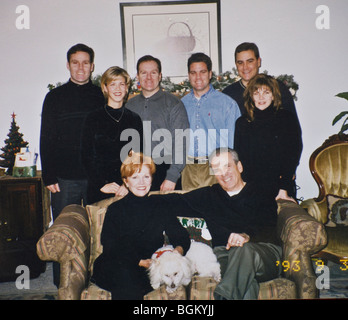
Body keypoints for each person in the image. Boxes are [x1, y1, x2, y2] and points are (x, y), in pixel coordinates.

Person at [164, 148, 282, 300]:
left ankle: (223, 297)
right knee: (246, 284)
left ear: (239, 167)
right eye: (217, 169)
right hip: (225, 255)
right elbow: (173, 201)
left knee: (243, 250)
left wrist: (247, 236)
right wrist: (137, 199)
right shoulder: (209, 195)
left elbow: (268, 226)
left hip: (265, 253)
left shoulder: (261, 192)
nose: (224, 173)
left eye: (227, 166)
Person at [40, 43, 105, 286]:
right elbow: (46, 137)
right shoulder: (54, 97)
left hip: (95, 178)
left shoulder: (101, 95)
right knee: (64, 231)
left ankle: (96, 278)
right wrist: (49, 176)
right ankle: (63, 283)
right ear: (68, 65)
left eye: (85, 62)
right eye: (75, 62)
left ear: (92, 66)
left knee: (97, 230)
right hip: (64, 178)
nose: (80, 67)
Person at [91, 152, 191, 300]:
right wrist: (139, 262)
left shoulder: (160, 205)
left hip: (146, 268)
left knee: (133, 279)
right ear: (126, 181)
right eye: (135, 177)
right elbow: (111, 247)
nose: (141, 182)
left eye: (146, 176)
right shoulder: (115, 209)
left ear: (151, 179)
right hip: (116, 263)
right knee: (125, 275)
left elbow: (181, 235)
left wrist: (177, 252)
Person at [126, 55, 190, 191]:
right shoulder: (129, 105)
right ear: (137, 76)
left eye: (153, 72)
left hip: (165, 171)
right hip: (137, 172)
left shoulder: (174, 104)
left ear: (160, 76)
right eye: (144, 73)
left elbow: (181, 142)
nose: (148, 77)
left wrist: (172, 177)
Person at [234, 74, 302, 201]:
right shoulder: (242, 123)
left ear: (273, 95)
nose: (261, 97)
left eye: (266, 92)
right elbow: (240, 160)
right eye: (256, 93)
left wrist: (284, 189)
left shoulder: (287, 119)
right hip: (252, 190)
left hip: (281, 189)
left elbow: (292, 155)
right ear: (251, 96)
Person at [81, 66, 143, 204]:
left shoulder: (134, 119)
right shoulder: (92, 118)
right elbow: (86, 156)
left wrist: (127, 185)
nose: (118, 88)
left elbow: (137, 157)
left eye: (122, 84)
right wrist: (101, 185)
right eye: (113, 84)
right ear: (105, 87)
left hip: (127, 188)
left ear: (127, 88)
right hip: (99, 188)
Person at [181, 52, 241, 190]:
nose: (198, 77)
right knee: (188, 209)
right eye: (193, 72)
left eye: (202, 72)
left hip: (216, 167)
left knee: (215, 209)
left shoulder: (227, 104)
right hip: (188, 168)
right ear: (189, 75)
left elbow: (233, 141)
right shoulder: (181, 104)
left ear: (210, 74)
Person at [222, 42, 299, 120]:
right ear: (236, 65)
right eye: (240, 63)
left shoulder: (277, 87)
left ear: (258, 62)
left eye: (250, 61)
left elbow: (293, 127)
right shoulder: (228, 94)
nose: (245, 67)